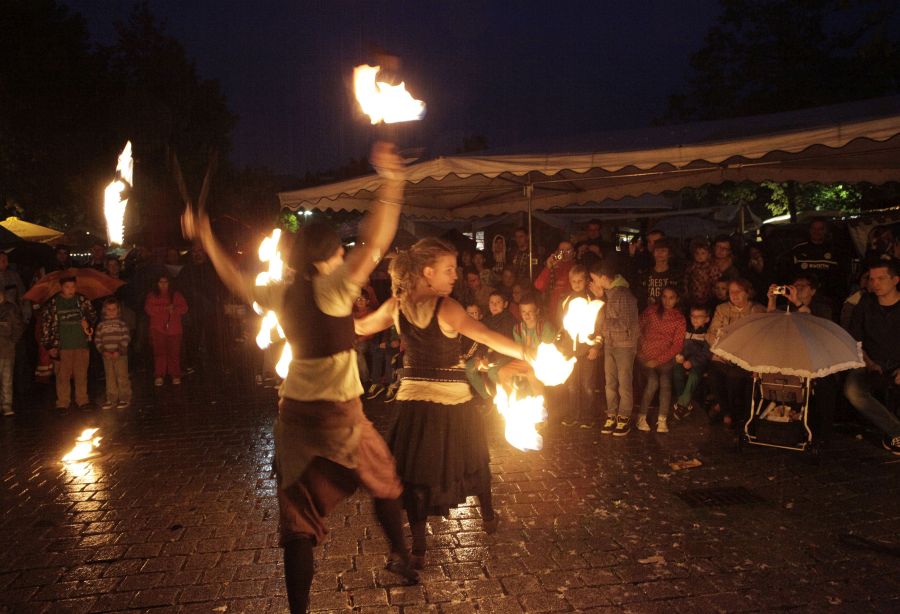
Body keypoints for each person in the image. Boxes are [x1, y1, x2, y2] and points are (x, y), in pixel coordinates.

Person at [184, 142, 418, 613]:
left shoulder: (279, 291)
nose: (344, 256)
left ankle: (299, 611)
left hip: (293, 419)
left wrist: (206, 237)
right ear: (328, 253)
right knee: (384, 480)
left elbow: (235, 280)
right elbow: (375, 242)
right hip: (340, 417)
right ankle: (403, 557)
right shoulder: (333, 286)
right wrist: (393, 181)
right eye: (338, 250)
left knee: (297, 522)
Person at [355, 237, 528, 569]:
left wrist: (325, 319)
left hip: (414, 406)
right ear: (428, 272)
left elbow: (361, 325)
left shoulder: (396, 306)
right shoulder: (446, 307)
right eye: (448, 269)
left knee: (416, 475)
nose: (455, 276)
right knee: (474, 462)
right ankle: (487, 517)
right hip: (451, 404)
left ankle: (420, 549)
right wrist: (528, 352)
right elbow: (486, 336)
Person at [844, 259, 900, 455]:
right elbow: (855, 338)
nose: (875, 283)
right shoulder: (866, 303)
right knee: (853, 391)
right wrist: (868, 362)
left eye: (881, 278)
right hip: (869, 361)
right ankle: (896, 431)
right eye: (872, 279)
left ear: (895, 280)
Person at [706, 278, 765, 427]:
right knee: (713, 372)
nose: (734, 295)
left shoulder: (757, 310)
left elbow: (762, 337)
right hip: (724, 354)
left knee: (734, 376)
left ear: (747, 293)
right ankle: (726, 411)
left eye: (738, 291)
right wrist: (721, 350)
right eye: (731, 292)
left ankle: (725, 410)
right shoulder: (722, 309)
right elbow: (711, 334)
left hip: (745, 357)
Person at [591, 260, 639, 437]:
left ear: (604, 278)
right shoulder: (609, 294)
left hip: (624, 345)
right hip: (610, 344)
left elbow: (624, 323)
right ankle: (612, 413)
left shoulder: (623, 295)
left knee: (624, 383)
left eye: (594, 279)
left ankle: (624, 416)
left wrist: (603, 325)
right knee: (609, 382)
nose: (593, 283)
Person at [635, 285, 686, 433]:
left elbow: (677, 344)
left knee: (665, 382)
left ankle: (662, 419)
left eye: (671, 298)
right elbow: (638, 328)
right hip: (645, 355)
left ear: (677, 299)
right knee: (653, 382)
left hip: (664, 358)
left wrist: (659, 360)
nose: (667, 301)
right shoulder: (652, 311)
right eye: (664, 297)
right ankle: (641, 416)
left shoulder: (679, 318)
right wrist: (641, 351)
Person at [41, 276, 96, 410]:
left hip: (80, 344)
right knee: (62, 376)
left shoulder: (82, 300)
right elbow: (46, 325)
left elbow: (93, 316)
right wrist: (49, 345)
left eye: (73, 287)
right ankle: (63, 402)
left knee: (81, 374)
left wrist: (88, 322)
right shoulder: (53, 303)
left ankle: (82, 400)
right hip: (62, 345)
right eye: (67, 287)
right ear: (61, 287)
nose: (70, 290)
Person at [560, 265, 598, 428]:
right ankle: (573, 414)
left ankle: (587, 415)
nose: (576, 284)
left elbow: (598, 325)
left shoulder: (591, 300)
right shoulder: (566, 300)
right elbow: (562, 324)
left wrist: (595, 347)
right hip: (570, 351)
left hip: (586, 349)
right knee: (572, 385)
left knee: (587, 385)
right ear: (570, 281)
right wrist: (563, 346)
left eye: (580, 281)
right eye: (573, 281)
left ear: (586, 281)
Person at [144, 274, 188, 386]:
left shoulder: (176, 295)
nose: (163, 285)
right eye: (161, 282)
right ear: (156, 283)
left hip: (174, 329)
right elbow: (149, 309)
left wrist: (175, 309)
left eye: (166, 282)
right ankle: (159, 375)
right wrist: (164, 308)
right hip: (158, 329)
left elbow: (184, 308)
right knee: (159, 353)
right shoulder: (152, 295)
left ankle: (175, 374)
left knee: (174, 353)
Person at [673, 305, 712, 419]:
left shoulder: (707, 335)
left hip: (698, 363)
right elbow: (678, 344)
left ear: (707, 319)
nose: (695, 319)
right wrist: (679, 355)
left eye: (699, 316)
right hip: (683, 360)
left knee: (694, 375)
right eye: (693, 316)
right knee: (676, 372)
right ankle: (685, 402)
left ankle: (681, 404)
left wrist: (692, 362)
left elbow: (706, 354)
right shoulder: (685, 330)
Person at [94, 297, 131, 409]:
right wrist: (103, 351)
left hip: (120, 355)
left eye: (113, 309)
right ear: (104, 310)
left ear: (118, 310)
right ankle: (111, 398)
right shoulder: (101, 325)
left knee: (122, 376)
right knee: (110, 377)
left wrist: (119, 350)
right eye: (109, 309)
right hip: (107, 355)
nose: (111, 311)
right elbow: (97, 339)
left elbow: (126, 338)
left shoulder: (121, 324)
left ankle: (124, 398)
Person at [534, 240, 576, 325]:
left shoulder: (577, 269)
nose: (564, 253)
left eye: (568, 250)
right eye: (561, 250)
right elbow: (539, 286)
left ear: (574, 253)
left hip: (571, 313)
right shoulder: (552, 267)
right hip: (552, 314)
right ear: (557, 252)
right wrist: (548, 267)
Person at [0, 288, 24, 416]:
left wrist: (12, 341)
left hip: (6, 350)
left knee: (6, 379)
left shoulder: (10, 309)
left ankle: (6, 405)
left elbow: (18, 327)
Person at [682, 239, 719, 308]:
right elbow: (686, 280)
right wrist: (686, 292)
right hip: (693, 296)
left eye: (703, 253)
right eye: (697, 253)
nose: (700, 256)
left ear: (708, 254)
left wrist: (713, 294)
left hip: (708, 297)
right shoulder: (691, 267)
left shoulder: (712, 267)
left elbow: (715, 282)